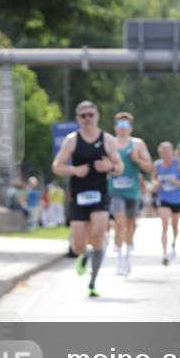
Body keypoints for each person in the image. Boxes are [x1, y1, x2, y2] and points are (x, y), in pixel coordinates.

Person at [52, 101, 124, 297]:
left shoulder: (107, 140)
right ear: (78, 119)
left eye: (91, 115)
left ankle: (93, 282)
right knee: (77, 244)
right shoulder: (71, 140)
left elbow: (120, 167)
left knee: (98, 235)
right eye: (83, 116)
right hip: (78, 196)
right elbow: (56, 166)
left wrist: (108, 167)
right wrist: (74, 170)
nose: (87, 119)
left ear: (97, 115)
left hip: (100, 194)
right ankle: (85, 254)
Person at [108, 112, 154, 276]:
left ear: (131, 128)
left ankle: (127, 255)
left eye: (126, 125)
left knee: (130, 224)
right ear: (115, 127)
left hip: (132, 191)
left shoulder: (137, 144)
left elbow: (149, 166)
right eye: (120, 125)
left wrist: (137, 160)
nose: (122, 129)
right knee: (119, 221)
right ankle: (119, 258)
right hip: (115, 189)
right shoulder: (110, 143)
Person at [153, 141, 180, 265]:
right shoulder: (157, 165)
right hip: (164, 198)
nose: (165, 154)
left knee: (175, 226)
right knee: (165, 223)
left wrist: (179, 182)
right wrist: (155, 184)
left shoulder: (178, 163)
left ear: (172, 152)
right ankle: (164, 252)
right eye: (162, 152)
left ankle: (173, 245)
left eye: (167, 151)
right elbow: (154, 178)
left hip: (177, 198)